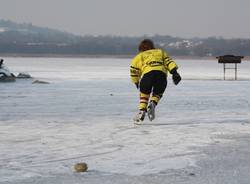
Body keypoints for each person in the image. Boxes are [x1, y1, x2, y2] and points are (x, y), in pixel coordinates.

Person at [130, 39, 181, 123]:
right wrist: (174, 73)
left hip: (147, 76)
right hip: (161, 76)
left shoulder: (139, 56)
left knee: (144, 94)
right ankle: (153, 103)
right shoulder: (160, 52)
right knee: (158, 93)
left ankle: (142, 111)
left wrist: (136, 81)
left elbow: (133, 70)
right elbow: (169, 62)